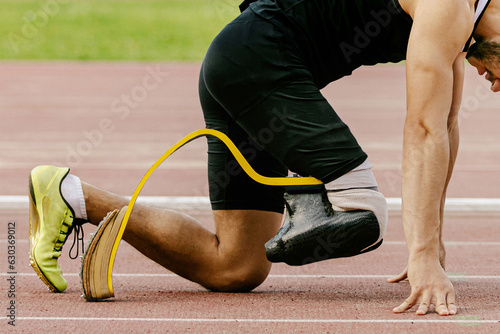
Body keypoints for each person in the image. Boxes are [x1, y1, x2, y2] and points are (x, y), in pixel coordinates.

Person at [28, 0, 499, 316]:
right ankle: (314, 207)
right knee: (362, 206)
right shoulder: (449, 6)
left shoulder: (461, 24)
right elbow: (422, 130)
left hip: (253, 73)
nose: (497, 86)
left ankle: (71, 195)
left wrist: (432, 247)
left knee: (235, 267)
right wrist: (420, 257)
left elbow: (446, 126)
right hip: (256, 62)